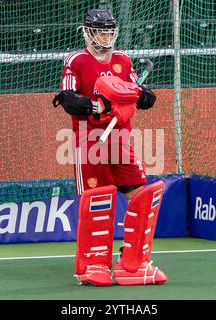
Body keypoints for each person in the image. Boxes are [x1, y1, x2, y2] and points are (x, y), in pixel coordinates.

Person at [53, 8, 167, 286]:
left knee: (140, 195)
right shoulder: (76, 60)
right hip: (90, 139)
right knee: (98, 199)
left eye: (109, 31)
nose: (106, 36)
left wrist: (143, 97)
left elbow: (133, 93)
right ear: (88, 33)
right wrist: (97, 105)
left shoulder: (123, 60)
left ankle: (134, 264)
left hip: (120, 140)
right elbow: (68, 98)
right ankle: (93, 265)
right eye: (101, 31)